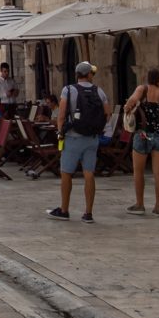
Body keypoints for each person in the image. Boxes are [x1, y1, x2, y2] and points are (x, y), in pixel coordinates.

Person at [49, 61, 104, 222]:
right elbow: (107, 112)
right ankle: (88, 213)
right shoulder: (98, 91)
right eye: (92, 73)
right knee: (89, 174)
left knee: (66, 173)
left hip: (73, 136)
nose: (93, 75)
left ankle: (64, 210)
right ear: (87, 74)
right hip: (92, 139)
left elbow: (61, 113)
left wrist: (60, 132)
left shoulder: (68, 90)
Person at [121, 68, 159, 216]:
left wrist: (128, 108)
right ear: (158, 79)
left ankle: (140, 204)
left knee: (138, 171)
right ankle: (158, 207)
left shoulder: (142, 89)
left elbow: (131, 102)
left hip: (143, 134)